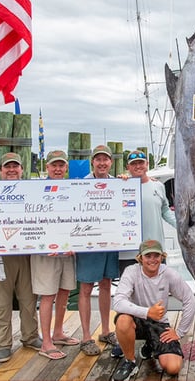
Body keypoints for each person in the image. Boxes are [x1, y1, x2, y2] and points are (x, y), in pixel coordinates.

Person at [0, 152, 40, 362]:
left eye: (16, 166)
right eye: (7, 167)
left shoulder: (31, 191)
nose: (12, 170)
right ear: (0, 170)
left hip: (26, 254)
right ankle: (3, 344)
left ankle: (30, 336)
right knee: (1, 302)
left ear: (22, 169)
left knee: (29, 299)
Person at [113, 149, 176, 359]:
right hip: (128, 252)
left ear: (147, 164)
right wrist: (120, 181)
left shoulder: (158, 186)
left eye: (141, 163)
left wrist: (183, 227)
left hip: (155, 252)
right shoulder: (120, 185)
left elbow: (166, 211)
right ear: (127, 167)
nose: (138, 166)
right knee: (127, 299)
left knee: (156, 297)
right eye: (133, 164)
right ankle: (123, 340)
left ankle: (152, 338)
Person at [111, 239, 195, 381]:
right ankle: (130, 362)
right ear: (140, 258)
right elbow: (118, 302)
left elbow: (190, 300)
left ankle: (150, 344)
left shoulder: (169, 274)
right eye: (148, 256)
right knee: (123, 320)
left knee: (173, 368)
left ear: (162, 257)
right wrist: (147, 312)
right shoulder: (131, 271)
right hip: (136, 320)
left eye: (156, 256)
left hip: (158, 323)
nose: (152, 260)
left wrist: (180, 332)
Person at [31, 149, 79, 360]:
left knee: (64, 292)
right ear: (47, 167)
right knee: (47, 296)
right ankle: (46, 342)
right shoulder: (34, 189)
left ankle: (58, 332)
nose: (58, 169)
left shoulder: (74, 189)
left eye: (61, 165)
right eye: (54, 165)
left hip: (68, 251)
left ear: (66, 168)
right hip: (45, 253)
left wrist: (78, 243)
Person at [76, 145, 120, 356]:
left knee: (106, 285)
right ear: (92, 162)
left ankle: (105, 331)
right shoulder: (81, 184)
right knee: (85, 289)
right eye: (98, 159)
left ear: (111, 162)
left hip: (110, 243)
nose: (102, 163)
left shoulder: (118, 183)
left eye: (106, 159)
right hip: (88, 244)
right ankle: (86, 337)